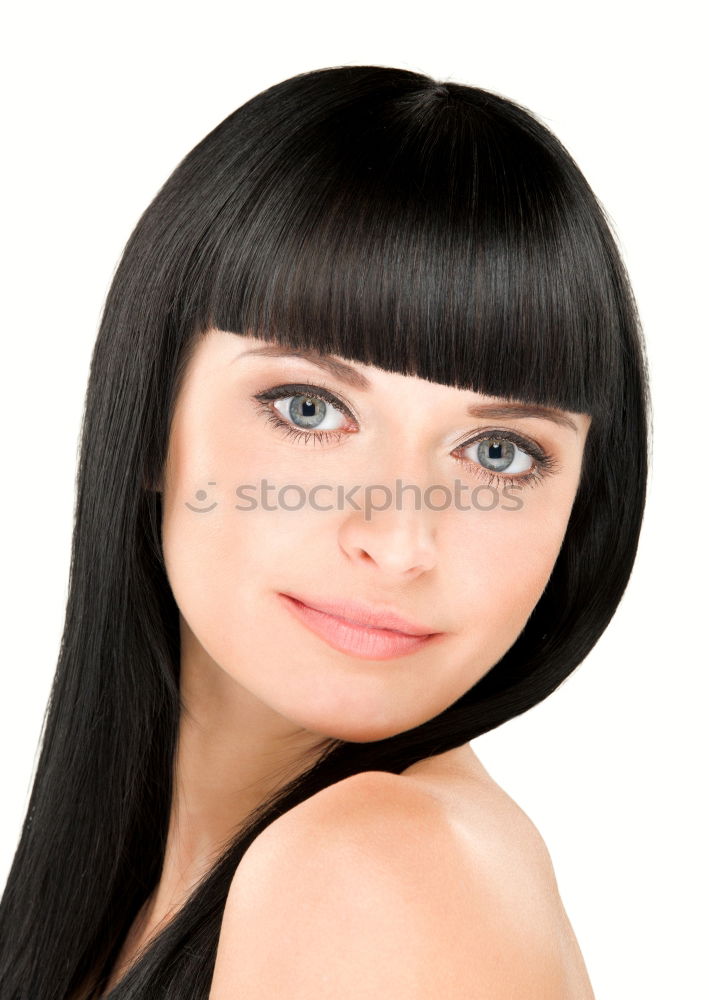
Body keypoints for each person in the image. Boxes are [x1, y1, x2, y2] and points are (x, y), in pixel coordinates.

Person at [0, 65, 650, 999]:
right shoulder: (128, 888)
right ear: (150, 416)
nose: (398, 542)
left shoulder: (373, 871)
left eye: (499, 453)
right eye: (309, 409)